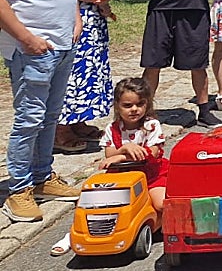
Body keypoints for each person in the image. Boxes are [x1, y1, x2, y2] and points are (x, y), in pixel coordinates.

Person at [0, 0, 82, 222]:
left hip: (62, 44)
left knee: (50, 117)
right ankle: (18, 189)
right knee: (29, 119)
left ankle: (42, 177)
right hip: (32, 49)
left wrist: (75, 17)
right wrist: (27, 38)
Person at [51, 76, 170, 257]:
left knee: (161, 203)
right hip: (120, 176)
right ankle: (73, 235)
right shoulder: (112, 128)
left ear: (147, 104)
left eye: (140, 104)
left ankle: (156, 222)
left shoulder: (151, 125)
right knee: (92, 205)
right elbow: (109, 156)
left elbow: (151, 152)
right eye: (128, 105)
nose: (134, 109)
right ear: (118, 106)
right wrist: (124, 148)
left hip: (151, 175)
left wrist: (121, 155)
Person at [54, 0, 116, 151]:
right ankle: (61, 130)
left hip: (96, 16)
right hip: (74, 13)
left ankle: (79, 120)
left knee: (92, 69)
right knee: (73, 72)